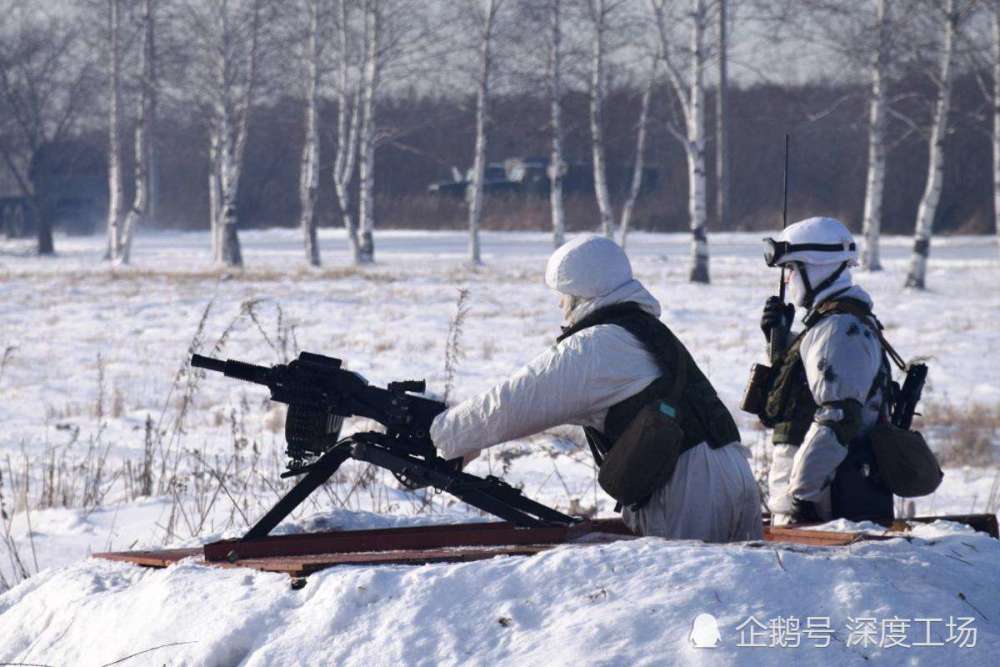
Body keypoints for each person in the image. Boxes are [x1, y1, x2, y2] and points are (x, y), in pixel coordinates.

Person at [430, 235, 762, 542]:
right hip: (733, 472)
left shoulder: (597, 345)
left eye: (561, 296)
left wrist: (443, 436)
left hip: (688, 488)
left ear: (580, 294)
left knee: (686, 593)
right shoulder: (642, 331)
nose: (560, 306)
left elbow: (516, 402)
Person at [757, 216, 894, 525]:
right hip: (814, 504)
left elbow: (838, 417)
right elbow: (804, 391)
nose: (788, 280)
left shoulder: (839, 330)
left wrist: (802, 496)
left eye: (791, 269)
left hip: (825, 508)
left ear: (816, 267)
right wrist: (779, 339)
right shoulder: (831, 325)